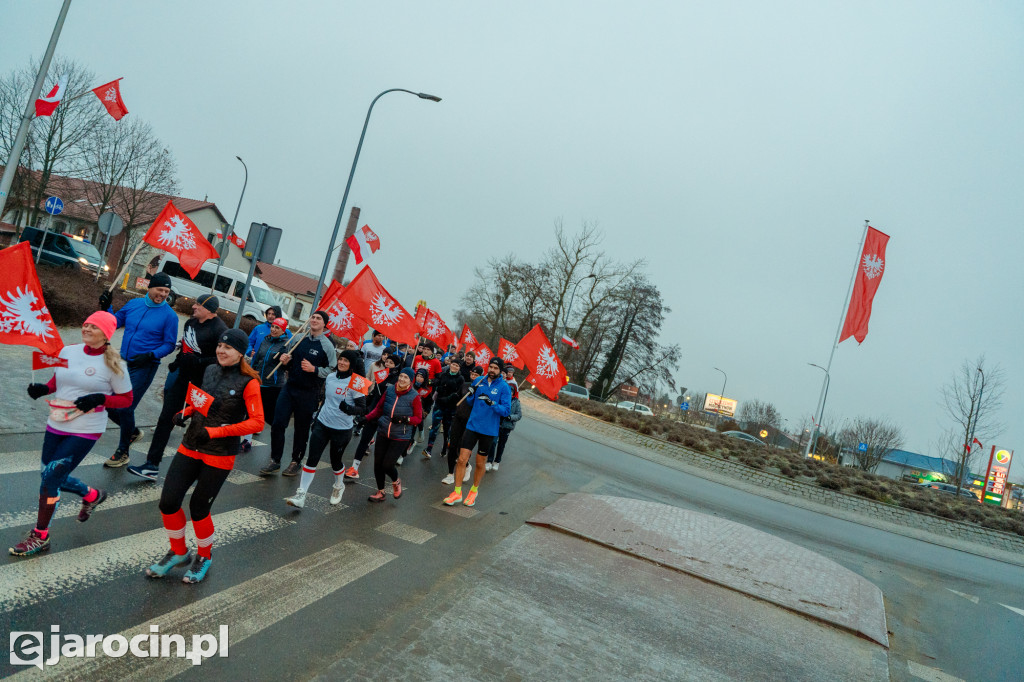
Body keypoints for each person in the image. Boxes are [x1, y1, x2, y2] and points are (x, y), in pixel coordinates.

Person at [145, 329, 264, 583]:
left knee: (199, 508)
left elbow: (257, 423)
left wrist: (216, 432)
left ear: (241, 353)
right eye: (220, 345)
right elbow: (202, 400)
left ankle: (204, 556)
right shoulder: (210, 369)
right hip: (191, 444)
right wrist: (186, 412)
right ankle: (178, 552)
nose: (221, 350)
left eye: (228, 348)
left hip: (219, 454)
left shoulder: (249, 382)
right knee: (168, 502)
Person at [10, 312, 132, 556]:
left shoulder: (114, 364)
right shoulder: (69, 351)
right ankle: (92, 495)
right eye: (85, 324)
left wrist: (100, 398)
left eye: (93, 326)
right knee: (49, 474)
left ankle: (40, 535)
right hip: (57, 422)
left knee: (51, 479)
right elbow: (59, 381)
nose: (86, 328)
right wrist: (44, 388)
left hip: (86, 429)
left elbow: (126, 400)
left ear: (105, 334)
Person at [127, 294, 226, 481]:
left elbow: (222, 359)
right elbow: (187, 348)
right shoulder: (190, 324)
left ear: (209, 309)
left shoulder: (219, 330)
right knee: (166, 419)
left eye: (198, 304)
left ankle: (199, 469)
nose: (194, 306)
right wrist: (178, 362)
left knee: (197, 427)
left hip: (203, 386)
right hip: (182, 379)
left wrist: (199, 362)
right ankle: (151, 465)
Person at [100, 272, 179, 467]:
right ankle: (133, 431)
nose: (163, 294)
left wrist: (151, 355)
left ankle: (123, 451)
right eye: (159, 289)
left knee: (126, 406)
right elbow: (114, 322)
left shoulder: (170, 316)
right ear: (150, 287)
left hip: (145, 367)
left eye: (166, 291)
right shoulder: (134, 304)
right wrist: (106, 307)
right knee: (108, 405)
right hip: (123, 362)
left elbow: (169, 344)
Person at [284, 349, 366, 508]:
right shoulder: (330, 377)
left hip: (342, 429)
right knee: (312, 459)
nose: (342, 362)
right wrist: (317, 417)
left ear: (351, 365)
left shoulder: (358, 382)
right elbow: (326, 400)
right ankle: (301, 494)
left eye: (346, 361)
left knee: (336, 462)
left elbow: (363, 409)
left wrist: (349, 409)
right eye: (341, 359)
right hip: (323, 424)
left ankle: (338, 486)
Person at [260, 310, 336, 476]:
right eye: (313, 317)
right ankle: (275, 460)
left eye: (318, 318)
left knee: (301, 429)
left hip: (309, 392)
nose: (314, 320)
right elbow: (288, 358)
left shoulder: (327, 345)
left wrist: (314, 369)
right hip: (289, 387)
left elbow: (332, 369)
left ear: (325, 324)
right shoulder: (299, 338)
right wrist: (285, 361)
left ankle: (296, 461)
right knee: (278, 423)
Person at [443, 357, 511, 507]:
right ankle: (457, 492)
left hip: (488, 430)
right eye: (491, 367)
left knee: (480, 463)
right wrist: (472, 393)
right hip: (472, 425)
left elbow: (506, 411)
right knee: (461, 459)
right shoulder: (479, 380)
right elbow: (470, 402)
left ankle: (474, 491)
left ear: (500, 371)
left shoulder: (504, 387)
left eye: (496, 368)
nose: (492, 370)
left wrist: (491, 403)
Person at [359, 368, 421, 502]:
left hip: (401, 436)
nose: (402, 379)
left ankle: (396, 481)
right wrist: (366, 418)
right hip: (383, 431)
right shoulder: (390, 390)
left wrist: (406, 419)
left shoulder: (414, 396)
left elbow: (418, 418)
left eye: (406, 378)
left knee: (387, 465)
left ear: (411, 381)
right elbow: (379, 409)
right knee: (377, 464)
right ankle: (380, 492)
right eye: (401, 376)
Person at [345, 352, 398, 479]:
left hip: (387, 417)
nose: (388, 364)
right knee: (364, 439)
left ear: (397, 366)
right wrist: (366, 407)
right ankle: (354, 468)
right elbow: (374, 392)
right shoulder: (381, 376)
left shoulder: (398, 380)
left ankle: (388, 473)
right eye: (387, 361)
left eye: (391, 363)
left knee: (384, 448)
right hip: (374, 413)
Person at [245, 317, 290, 447]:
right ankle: (247, 441)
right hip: (258, 381)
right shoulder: (265, 340)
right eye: (273, 327)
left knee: (271, 417)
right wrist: (251, 373)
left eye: (278, 328)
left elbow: (287, 366)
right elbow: (257, 358)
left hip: (273, 386)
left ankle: (276, 443)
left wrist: (284, 359)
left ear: (283, 331)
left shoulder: (286, 345)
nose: (274, 330)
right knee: (251, 412)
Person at [441, 364, 482, 485]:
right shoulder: (465, 385)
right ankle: (450, 474)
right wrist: (449, 399)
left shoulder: (482, 389)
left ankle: (467, 465)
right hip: (458, 418)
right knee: (452, 446)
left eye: (476, 375)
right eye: (472, 374)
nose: (473, 377)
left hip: (470, 422)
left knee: (461, 448)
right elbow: (458, 397)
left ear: (481, 377)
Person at [424, 356, 464, 459]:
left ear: (459, 368)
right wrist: (437, 388)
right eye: (453, 364)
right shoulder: (443, 374)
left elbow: (458, 394)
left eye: (457, 365)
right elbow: (437, 385)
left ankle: (445, 446)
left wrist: (449, 398)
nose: (454, 367)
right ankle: (429, 449)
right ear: (450, 364)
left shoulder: (460, 379)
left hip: (450, 408)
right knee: (434, 427)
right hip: (439, 406)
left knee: (447, 429)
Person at [486, 374, 522, 471]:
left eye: (511, 392)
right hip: (497, 424)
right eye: (508, 391)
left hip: (507, 426)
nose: (509, 393)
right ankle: (489, 461)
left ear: (513, 393)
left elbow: (519, 415)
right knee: (493, 442)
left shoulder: (516, 402)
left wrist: (510, 417)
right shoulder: (501, 399)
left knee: (501, 444)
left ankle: (497, 461)